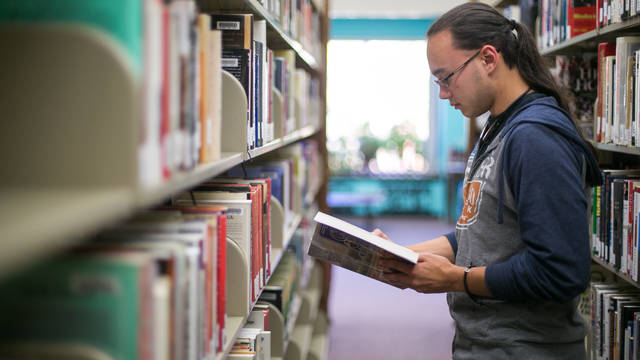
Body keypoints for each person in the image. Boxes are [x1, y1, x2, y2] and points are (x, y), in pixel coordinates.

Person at [374, 3, 603, 359]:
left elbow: (561, 270)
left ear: (489, 58)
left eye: (447, 78)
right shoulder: (497, 127)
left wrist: (455, 279)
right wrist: (400, 254)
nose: (443, 94)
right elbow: (478, 233)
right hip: (488, 344)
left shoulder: (535, 139)